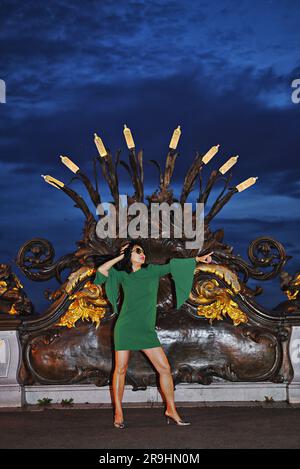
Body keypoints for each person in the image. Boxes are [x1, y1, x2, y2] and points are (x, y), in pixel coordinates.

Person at [93, 240, 213, 429]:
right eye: (137, 252)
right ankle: (118, 412)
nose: (143, 254)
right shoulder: (121, 274)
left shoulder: (151, 271)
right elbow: (101, 272)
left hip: (146, 330)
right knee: (120, 369)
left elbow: (174, 265)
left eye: (143, 252)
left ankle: (171, 409)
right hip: (125, 327)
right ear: (128, 256)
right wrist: (120, 256)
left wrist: (199, 258)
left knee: (164, 369)